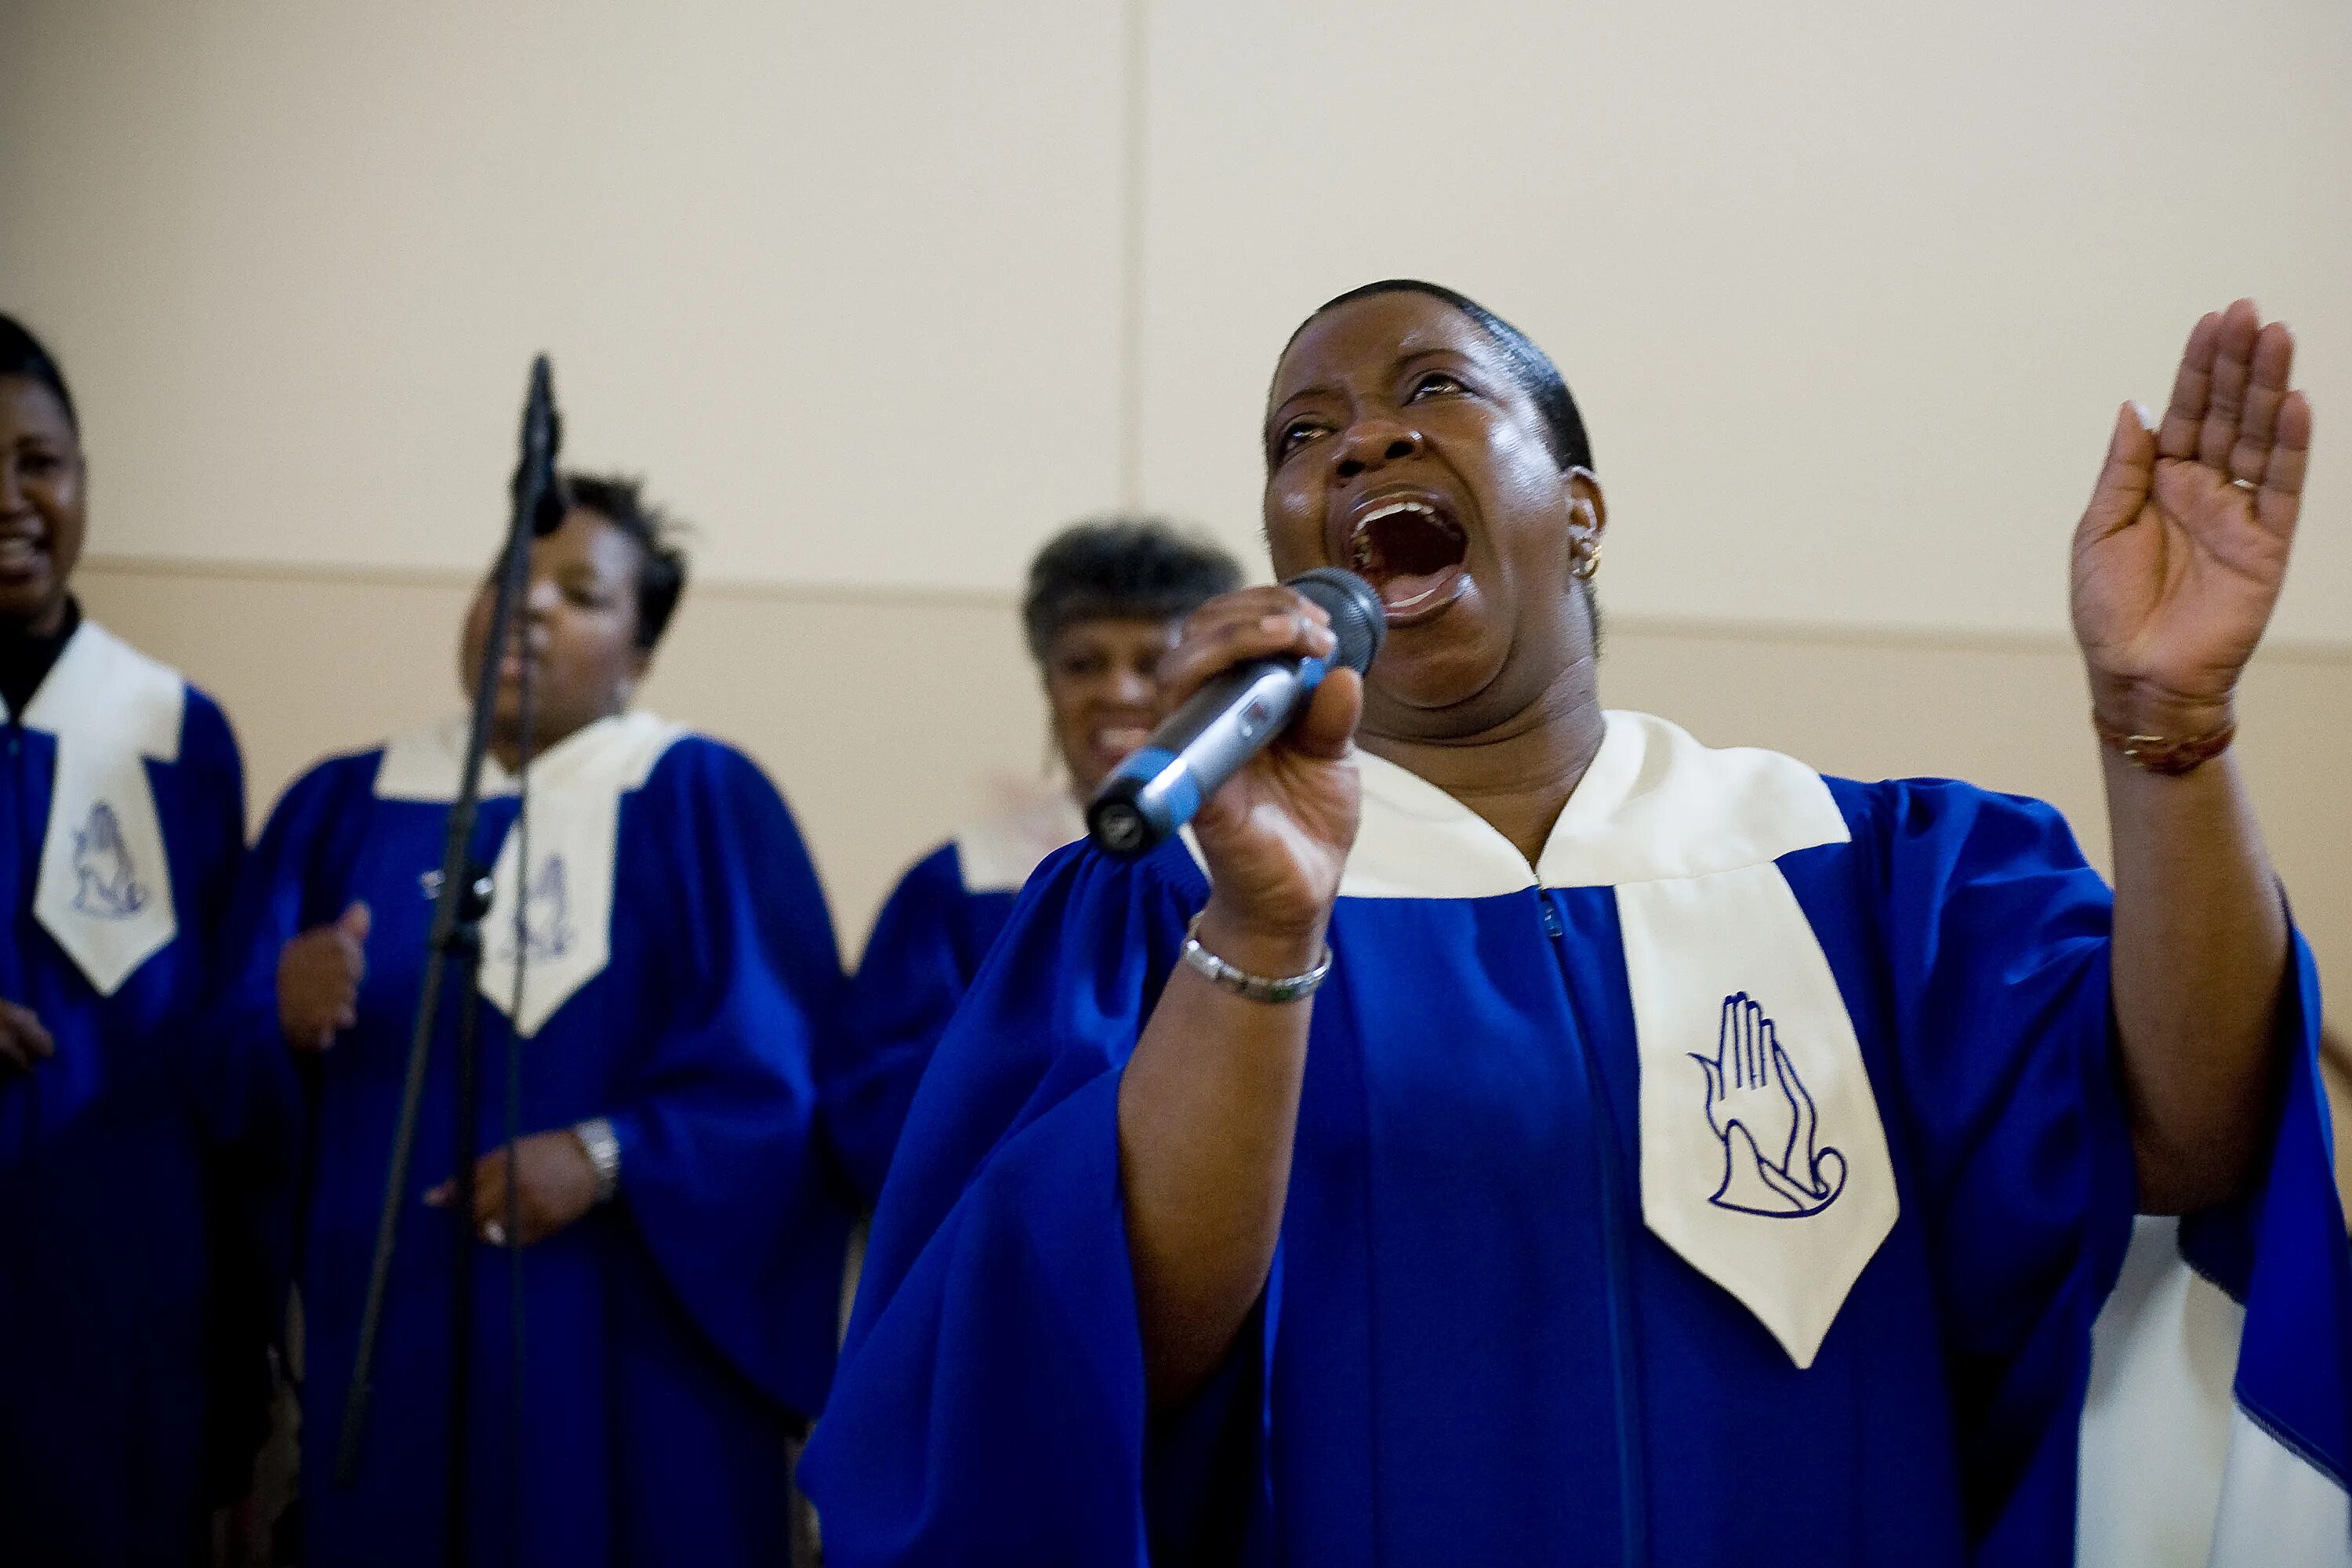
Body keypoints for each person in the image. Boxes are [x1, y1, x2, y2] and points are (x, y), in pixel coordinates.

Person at [801, 282, 2343, 1565]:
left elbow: (2196, 1150)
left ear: (1582, 511)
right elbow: (1066, 1367)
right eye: (1303, 434)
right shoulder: (1164, 909)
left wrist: (2170, 725)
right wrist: (1265, 937)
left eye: (1433, 388)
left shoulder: (1878, 872)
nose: (1363, 440)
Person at [214, 475, 850, 1564]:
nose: (531, 606)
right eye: (507, 575)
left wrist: (608, 1156)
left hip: (634, 1351)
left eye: (581, 593)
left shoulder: (701, 798)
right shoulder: (341, 805)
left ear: (640, 653)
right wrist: (270, 1017)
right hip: (397, 1330)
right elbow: (215, 1084)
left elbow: (782, 1084)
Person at [0, 314, 252, 1561]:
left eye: (39, 461)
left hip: (120, 1313)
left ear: (84, 478)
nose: (13, 499)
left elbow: (219, 1066)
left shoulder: (175, 736)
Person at [829, 519, 1241, 1203]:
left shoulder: (1259, 881)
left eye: (1155, 662)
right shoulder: (961, 882)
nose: (1122, 692)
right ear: (1047, 681)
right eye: (1084, 663)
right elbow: (879, 1119)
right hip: (1011, 1254)